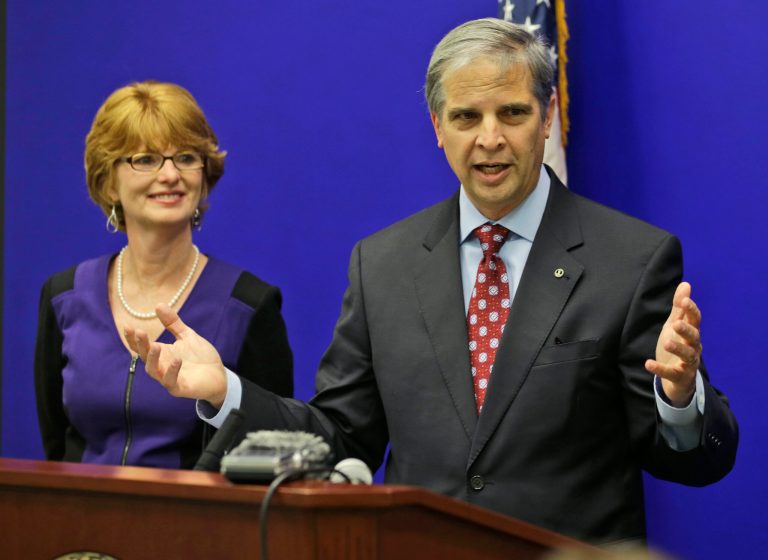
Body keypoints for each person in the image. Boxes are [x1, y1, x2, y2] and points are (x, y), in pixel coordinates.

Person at [126, 20, 737, 544]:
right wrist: (224, 392)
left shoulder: (632, 258)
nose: (490, 138)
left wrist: (680, 399)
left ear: (546, 117)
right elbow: (343, 439)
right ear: (437, 126)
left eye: (513, 113)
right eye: (466, 116)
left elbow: (695, 463)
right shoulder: (383, 264)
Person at [35, 81, 293, 469]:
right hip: (80, 523)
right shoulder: (64, 296)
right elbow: (57, 446)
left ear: (204, 174)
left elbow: (274, 448)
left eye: (186, 157)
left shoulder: (248, 304)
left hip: (198, 524)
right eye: (145, 158)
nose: (170, 174)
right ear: (109, 181)